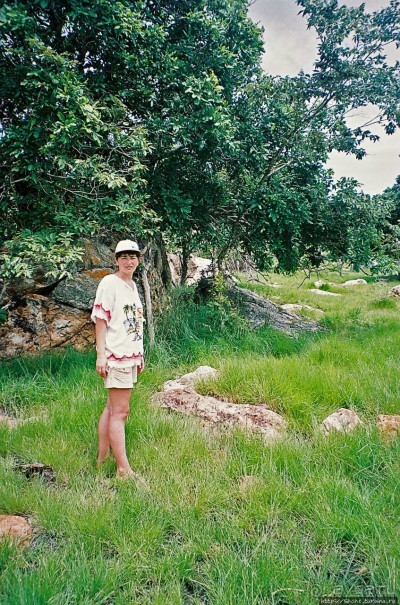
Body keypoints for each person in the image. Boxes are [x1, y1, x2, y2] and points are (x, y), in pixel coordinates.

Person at [91, 239, 146, 480]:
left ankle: (102, 460)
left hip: (130, 356)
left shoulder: (132, 285)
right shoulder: (109, 283)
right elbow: (101, 319)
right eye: (123, 257)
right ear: (116, 260)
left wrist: (139, 354)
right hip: (116, 356)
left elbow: (134, 323)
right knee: (121, 412)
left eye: (133, 256)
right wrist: (101, 354)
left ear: (138, 259)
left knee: (112, 408)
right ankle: (123, 469)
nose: (128, 261)